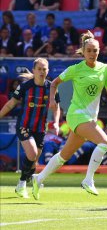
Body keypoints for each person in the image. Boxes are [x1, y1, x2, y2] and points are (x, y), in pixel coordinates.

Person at [31, 31, 107, 200]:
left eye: (95, 50)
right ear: (83, 52)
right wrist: (53, 101)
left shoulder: (105, 69)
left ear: (99, 51)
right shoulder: (75, 69)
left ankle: (38, 178)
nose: (93, 53)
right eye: (89, 50)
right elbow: (54, 83)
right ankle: (88, 179)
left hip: (90, 117)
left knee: (64, 156)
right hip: (76, 114)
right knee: (104, 142)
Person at [0, 58, 60, 198]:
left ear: (48, 71)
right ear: (33, 70)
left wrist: (56, 122)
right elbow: (10, 104)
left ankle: (32, 179)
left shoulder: (52, 88)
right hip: (24, 126)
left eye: (44, 69)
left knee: (34, 160)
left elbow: (56, 108)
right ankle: (21, 185)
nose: (41, 71)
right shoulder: (25, 86)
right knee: (32, 154)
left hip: (40, 129)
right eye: (39, 69)